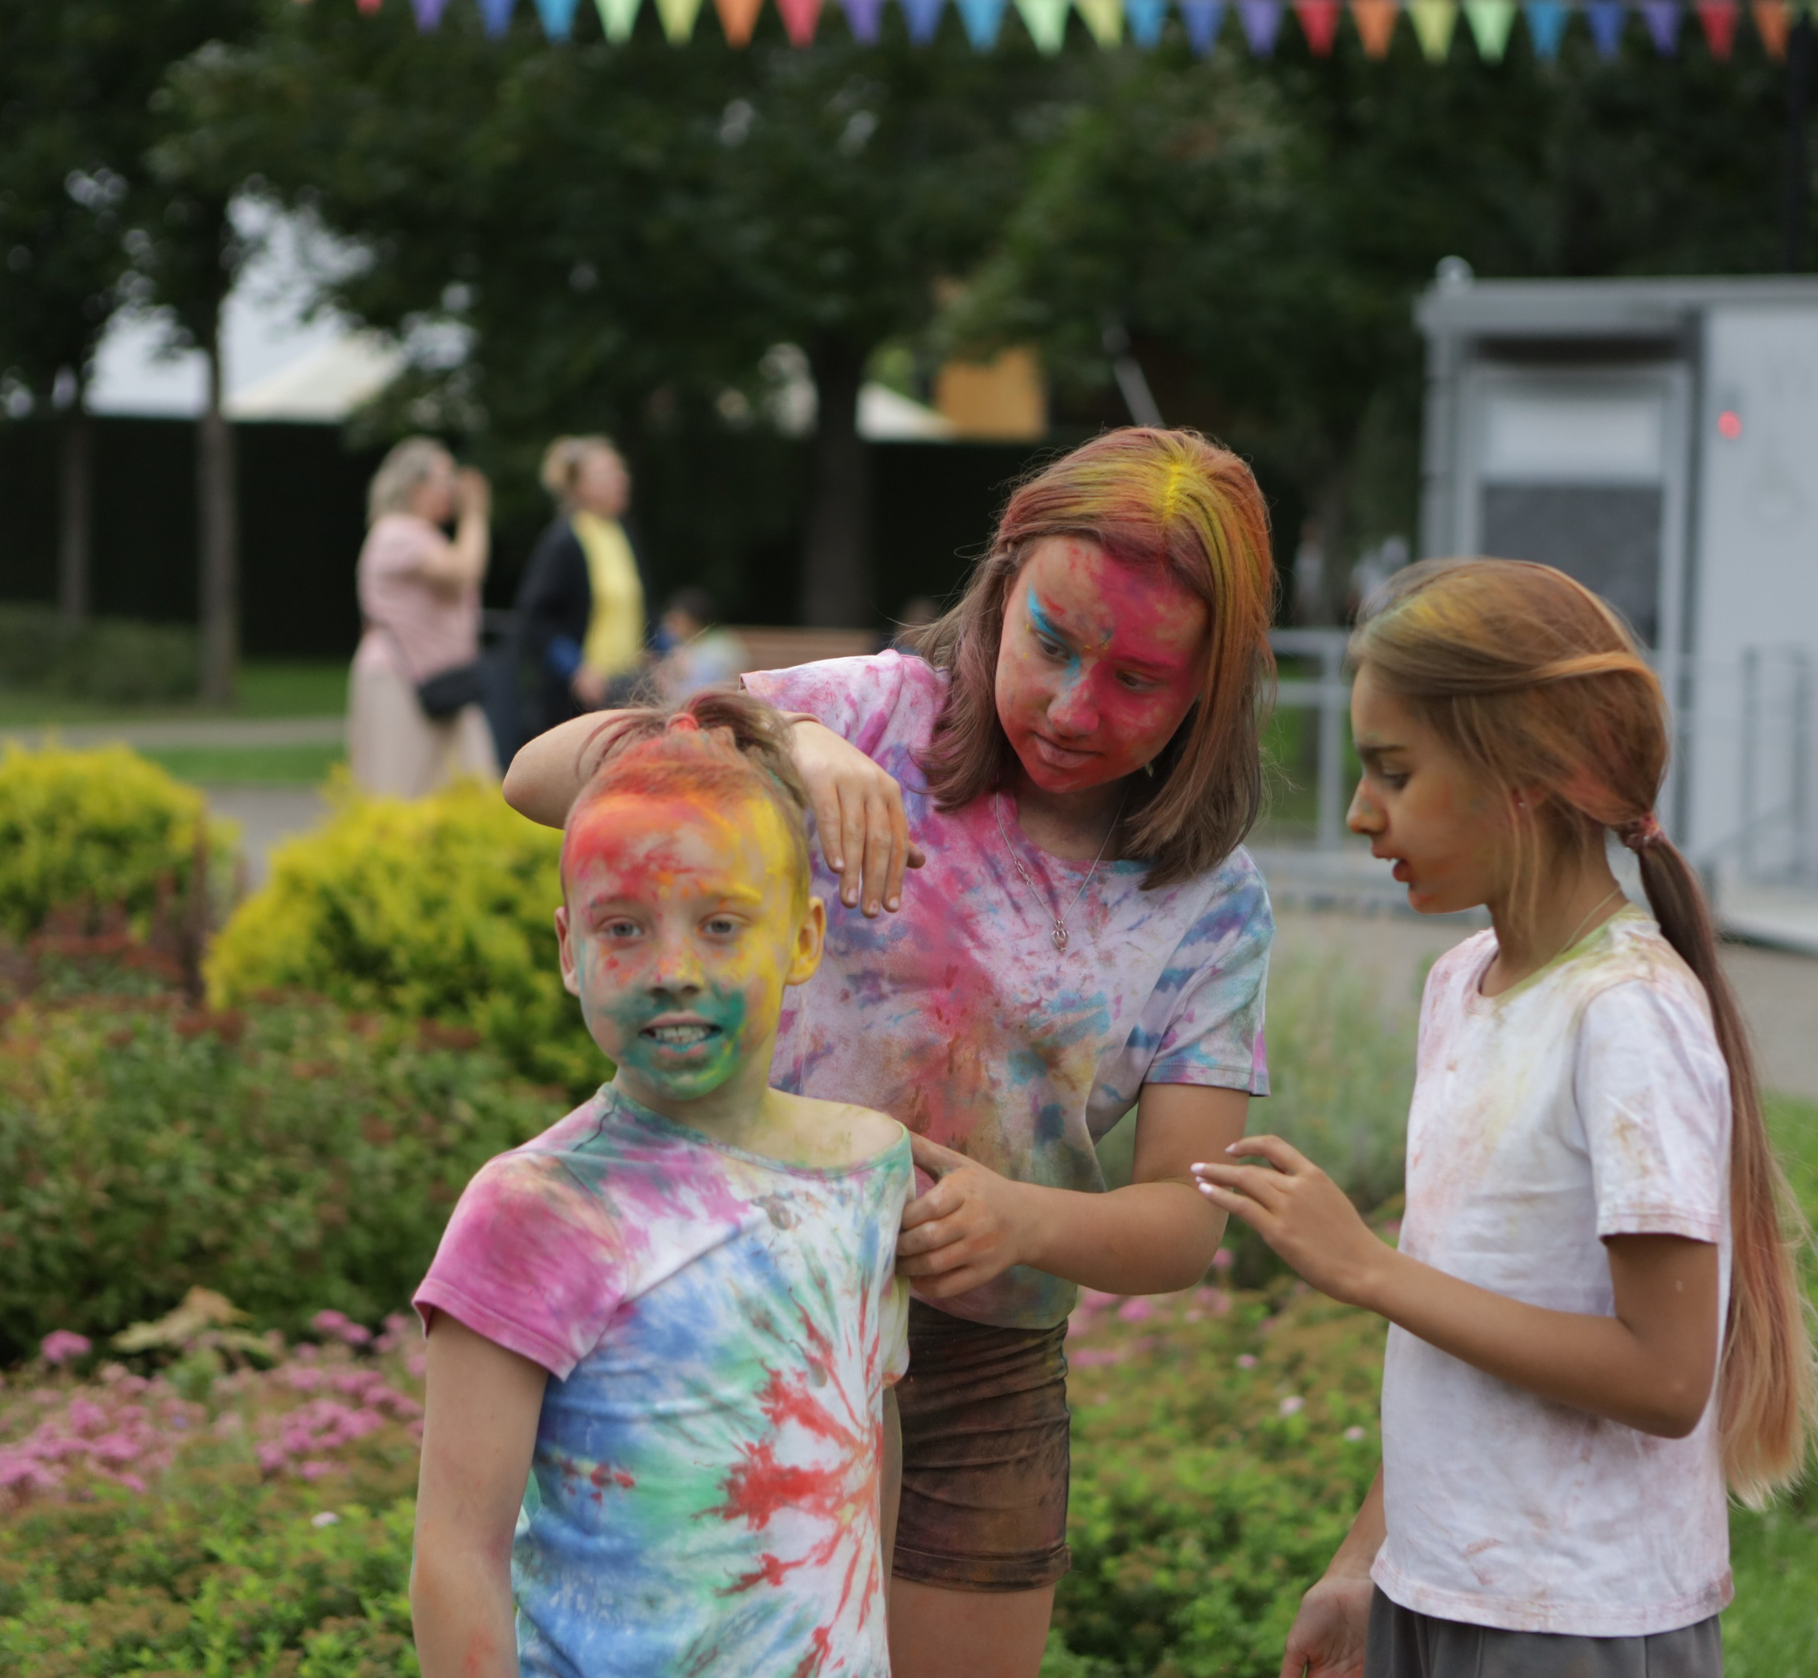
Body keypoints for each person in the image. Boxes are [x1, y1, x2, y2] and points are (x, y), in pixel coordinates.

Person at [505, 426, 1278, 1678]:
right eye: (1052, 642)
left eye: (1138, 679)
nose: (1075, 707)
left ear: (1214, 686)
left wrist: (1017, 1220)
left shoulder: (1209, 904)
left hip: (983, 1379)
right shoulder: (871, 714)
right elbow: (536, 777)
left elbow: (1182, 1225)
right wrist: (773, 750)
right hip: (742, 1313)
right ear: (1000, 587)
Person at [1196, 558, 1818, 1678]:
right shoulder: (1463, 984)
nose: (1358, 811)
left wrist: (1366, 1267)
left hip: (1579, 1623)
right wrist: (1364, 1564)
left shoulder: (1626, 1017)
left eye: (1393, 770)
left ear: (1525, 774)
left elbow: (1663, 1378)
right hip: (1437, 1597)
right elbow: (1455, 1343)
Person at [410, 692, 914, 1677]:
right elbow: (455, 1558)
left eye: (721, 925)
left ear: (803, 938)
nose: (673, 969)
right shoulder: (534, 1210)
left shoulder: (868, 1169)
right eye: (624, 928)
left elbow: (863, 1449)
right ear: (569, 950)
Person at [349, 437, 498, 799]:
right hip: (399, 681)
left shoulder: (422, 536)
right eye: (445, 478)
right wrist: (475, 513)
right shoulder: (394, 533)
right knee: (397, 794)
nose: (453, 489)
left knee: (475, 786)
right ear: (417, 487)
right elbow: (464, 570)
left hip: (444, 682)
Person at [511, 435, 648, 752]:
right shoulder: (564, 540)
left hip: (626, 684)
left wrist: (665, 648)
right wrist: (574, 668)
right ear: (580, 487)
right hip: (582, 696)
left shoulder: (622, 533)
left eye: (620, 470)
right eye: (607, 473)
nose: (621, 479)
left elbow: (643, 606)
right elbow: (537, 618)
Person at [650, 587, 750, 705]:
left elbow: (700, 694)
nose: (669, 627)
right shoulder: (686, 645)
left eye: (675, 620)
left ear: (692, 621)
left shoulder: (719, 650)